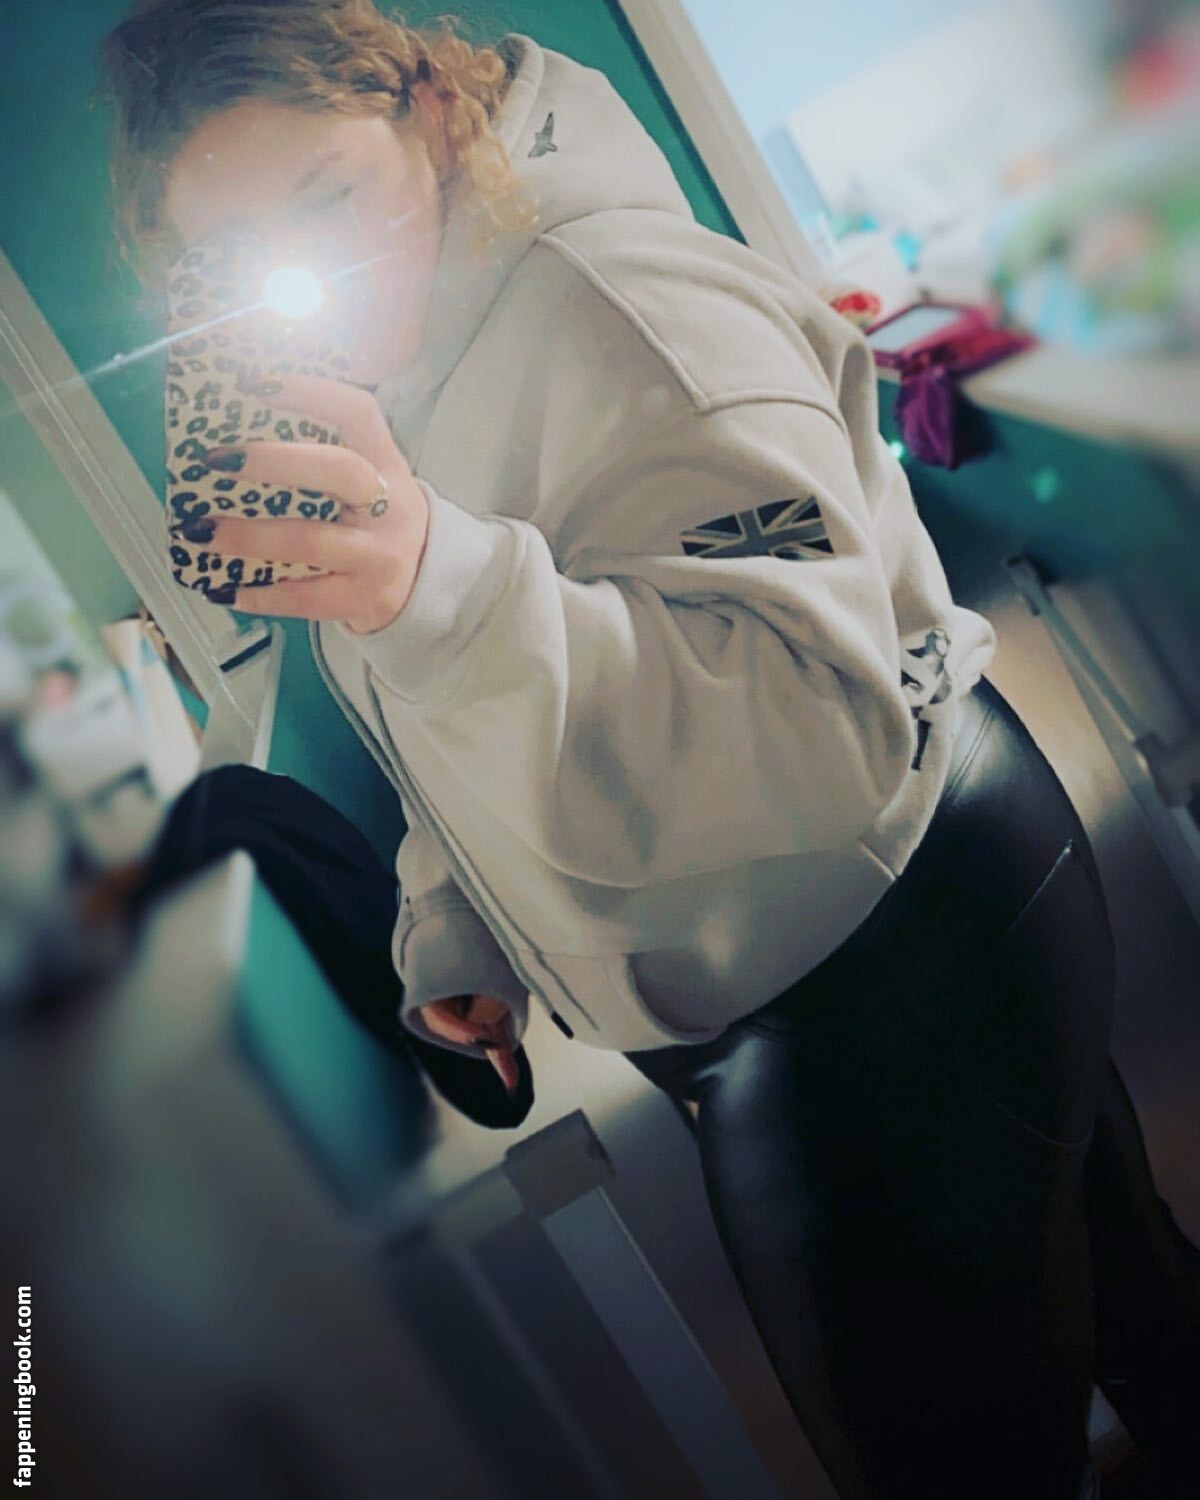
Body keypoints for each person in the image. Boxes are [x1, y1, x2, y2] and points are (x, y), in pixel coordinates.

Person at [98, 3, 1200, 1495]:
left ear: (429, 114)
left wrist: (439, 584)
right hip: (787, 955)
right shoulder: (377, 366)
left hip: (886, 952)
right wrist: (461, 920)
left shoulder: (621, 304)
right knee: (1153, 1331)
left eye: (328, 193)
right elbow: (442, 700)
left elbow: (818, 726)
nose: (318, 272)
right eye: (240, 251)